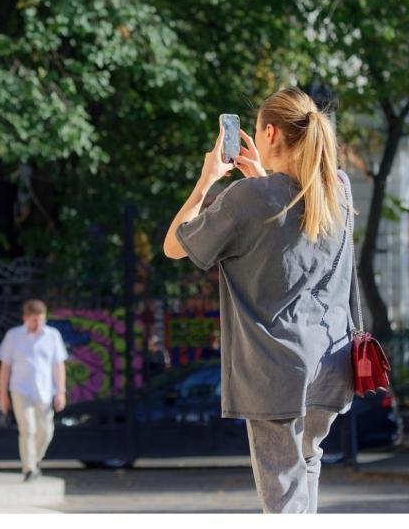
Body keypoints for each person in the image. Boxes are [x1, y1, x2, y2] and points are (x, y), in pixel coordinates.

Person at [163, 88, 356, 513]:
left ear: (269, 133)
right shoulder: (338, 189)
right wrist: (260, 181)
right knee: (307, 468)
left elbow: (174, 246)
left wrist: (207, 180)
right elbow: (288, 222)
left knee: (283, 498)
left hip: (277, 372)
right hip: (330, 364)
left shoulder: (246, 200)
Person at [0, 299, 69, 481]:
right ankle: (28, 468)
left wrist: (61, 392)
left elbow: (58, 366)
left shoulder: (53, 335)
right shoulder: (13, 335)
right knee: (28, 429)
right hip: (20, 389)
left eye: (41, 319)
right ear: (25, 318)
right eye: (34, 320)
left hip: (44, 390)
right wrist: (2, 394)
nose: (37, 324)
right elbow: (5, 367)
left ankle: (34, 461)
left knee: (46, 431)